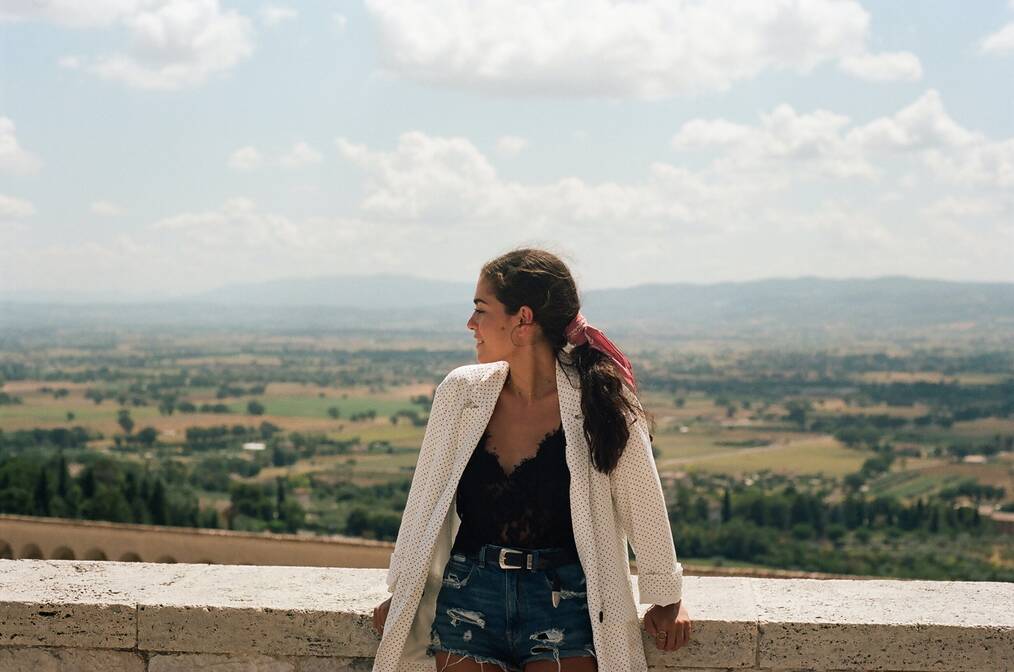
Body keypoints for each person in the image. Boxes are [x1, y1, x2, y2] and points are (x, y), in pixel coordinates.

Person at [371, 248, 691, 672]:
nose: (471, 325)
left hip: (566, 602)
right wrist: (405, 592)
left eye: (481, 310)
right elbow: (424, 502)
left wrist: (666, 599)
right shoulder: (461, 393)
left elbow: (642, 501)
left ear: (523, 320)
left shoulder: (599, 397)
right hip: (469, 593)